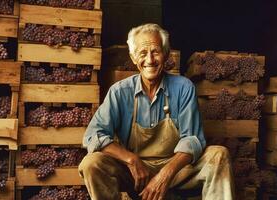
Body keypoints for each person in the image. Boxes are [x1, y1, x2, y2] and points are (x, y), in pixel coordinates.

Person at [78, 23, 235, 200]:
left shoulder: (183, 88)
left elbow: (193, 139)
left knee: (219, 155)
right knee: (91, 163)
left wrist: (164, 175)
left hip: (177, 170)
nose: (150, 60)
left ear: (166, 54)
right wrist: (132, 160)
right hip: (135, 174)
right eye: (143, 53)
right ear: (133, 57)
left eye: (156, 51)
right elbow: (93, 135)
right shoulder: (120, 92)